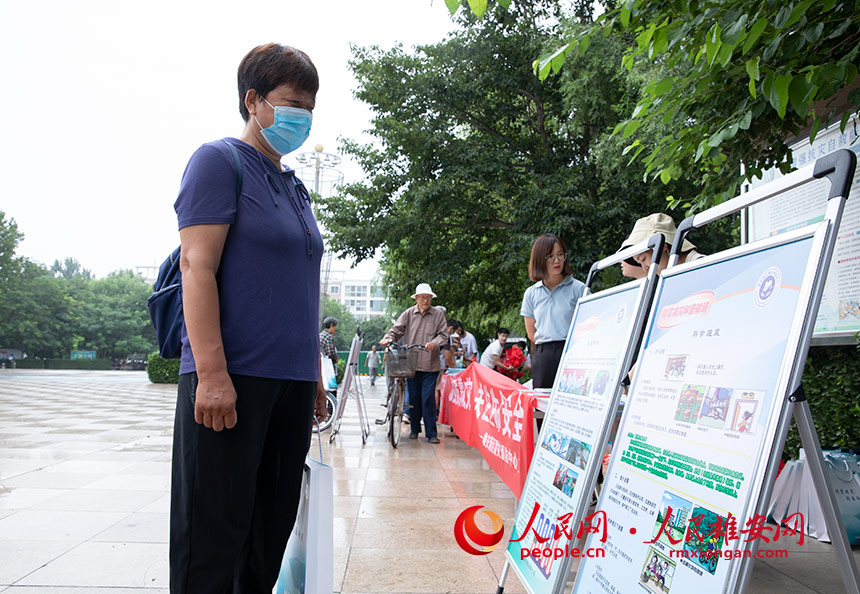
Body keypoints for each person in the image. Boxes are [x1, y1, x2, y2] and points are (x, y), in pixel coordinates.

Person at [170, 43, 328, 594]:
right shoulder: (219, 162)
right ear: (253, 100)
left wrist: (312, 373)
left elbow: (300, 289)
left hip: (289, 384)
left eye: (310, 106)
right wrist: (212, 375)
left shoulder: (294, 186)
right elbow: (197, 266)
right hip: (230, 383)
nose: (302, 117)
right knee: (211, 543)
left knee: (267, 540)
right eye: (291, 102)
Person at [380, 283, 448, 443]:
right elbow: (396, 329)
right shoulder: (409, 313)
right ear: (416, 298)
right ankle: (414, 429)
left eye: (428, 297)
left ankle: (431, 433)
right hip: (411, 364)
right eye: (423, 297)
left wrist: (434, 343)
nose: (426, 300)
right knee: (414, 398)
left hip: (430, 365)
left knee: (427, 398)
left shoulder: (438, 314)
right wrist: (388, 338)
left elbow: (444, 335)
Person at [521, 233, 586, 389]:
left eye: (560, 255)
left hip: (573, 353)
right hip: (544, 355)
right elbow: (531, 333)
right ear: (539, 259)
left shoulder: (579, 289)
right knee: (543, 406)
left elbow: (588, 326)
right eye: (550, 256)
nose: (557, 261)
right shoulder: (531, 293)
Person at [619, 213, 705, 277]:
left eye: (643, 259)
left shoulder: (700, 266)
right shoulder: (668, 276)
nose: (644, 268)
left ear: (663, 246)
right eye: (639, 263)